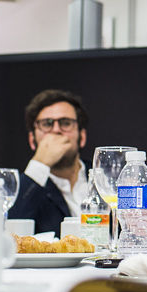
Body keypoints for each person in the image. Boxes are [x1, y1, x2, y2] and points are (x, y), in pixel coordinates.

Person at [8, 89, 91, 236]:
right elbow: (10, 234)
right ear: (32, 140)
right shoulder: (24, 188)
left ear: (82, 137)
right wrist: (40, 162)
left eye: (66, 123)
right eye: (47, 124)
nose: (56, 130)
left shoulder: (105, 180)